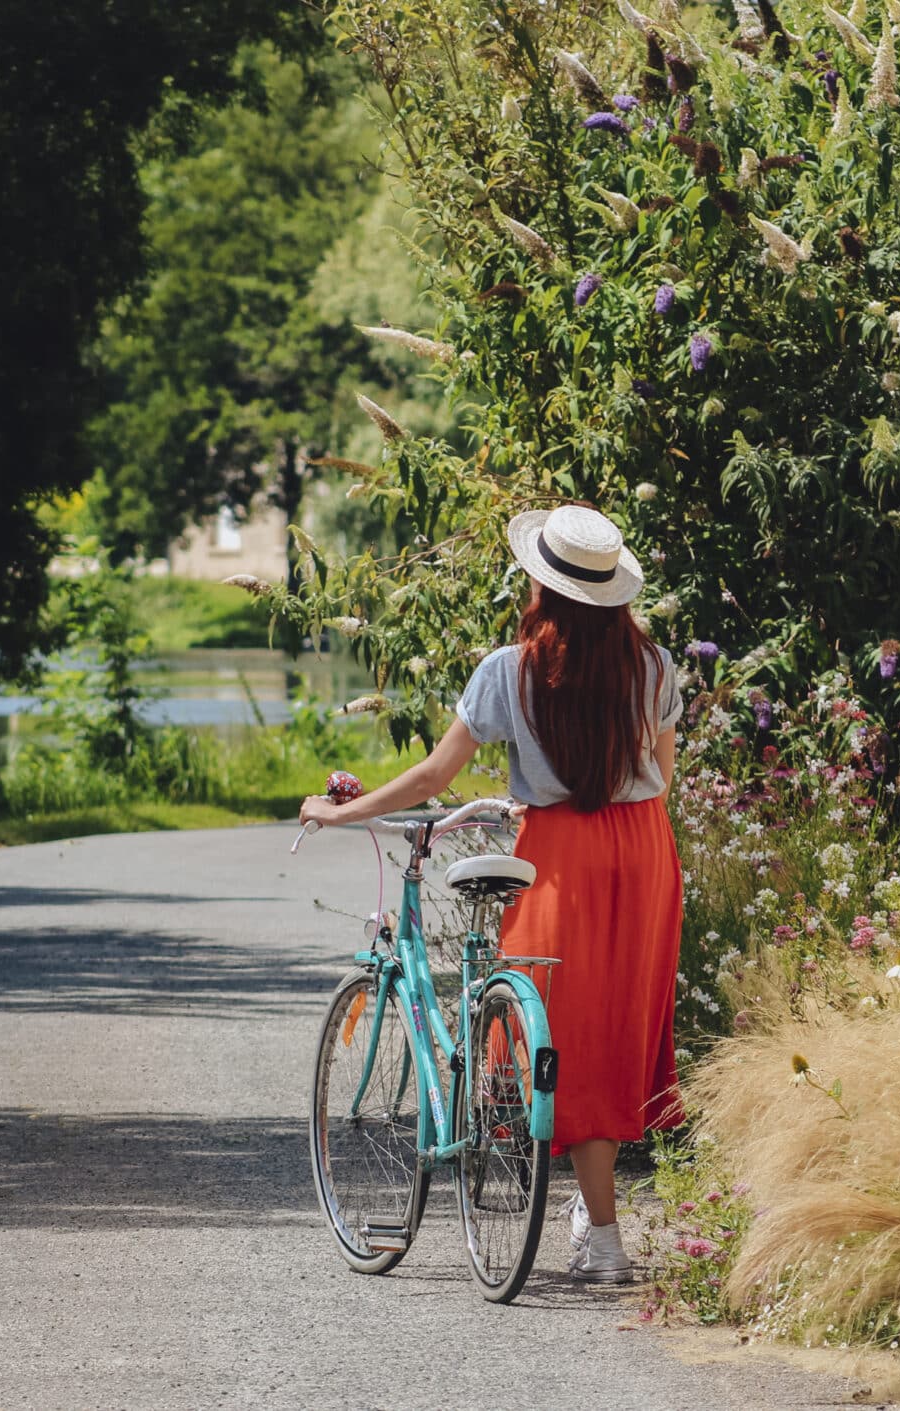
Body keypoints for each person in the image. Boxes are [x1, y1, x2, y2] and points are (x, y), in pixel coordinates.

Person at [298, 503, 684, 1284]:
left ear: (542, 587)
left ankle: (604, 1239)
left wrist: (342, 810)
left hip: (562, 853)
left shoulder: (512, 669)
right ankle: (594, 1212)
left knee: (561, 1033)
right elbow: (664, 777)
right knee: (612, 1028)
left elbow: (435, 777)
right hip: (644, 849)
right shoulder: (655, 666)